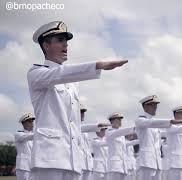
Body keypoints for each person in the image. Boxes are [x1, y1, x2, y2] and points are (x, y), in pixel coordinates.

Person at [28, 21, 128, 180]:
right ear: (46, 45)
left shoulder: (73, 81)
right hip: (49, 157)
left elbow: (74, 122)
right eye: (60, 40)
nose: (66, 45)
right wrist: (98, 65)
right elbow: (58, 74)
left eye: (66, 41)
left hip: (73, 158)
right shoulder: (36, 73)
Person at [135, 95, 182, 180]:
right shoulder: (140, 120)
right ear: (145, 107)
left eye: (156, 105)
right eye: (152, 105)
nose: (155, 107)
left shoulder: (156, 124)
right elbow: (150, 123)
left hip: (157, 162)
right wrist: (170, 121)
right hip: (146, 162)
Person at [105, 112, 136, 180]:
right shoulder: (109, 132)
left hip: (123, 166)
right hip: (114, 166)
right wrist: (134, 128)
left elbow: (127, 144)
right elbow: (118, 132)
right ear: (112, 121)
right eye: (118, 119)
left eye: (120, 119)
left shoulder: (121, 135)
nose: (120, 121)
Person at [15, 113, 35, 180]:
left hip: (33, 166)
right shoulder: (19, 134)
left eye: (32, 121)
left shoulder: (34, 135)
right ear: (24, 123)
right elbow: (29, 137)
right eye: (29, 121)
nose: (32, 123)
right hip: (23, 166)